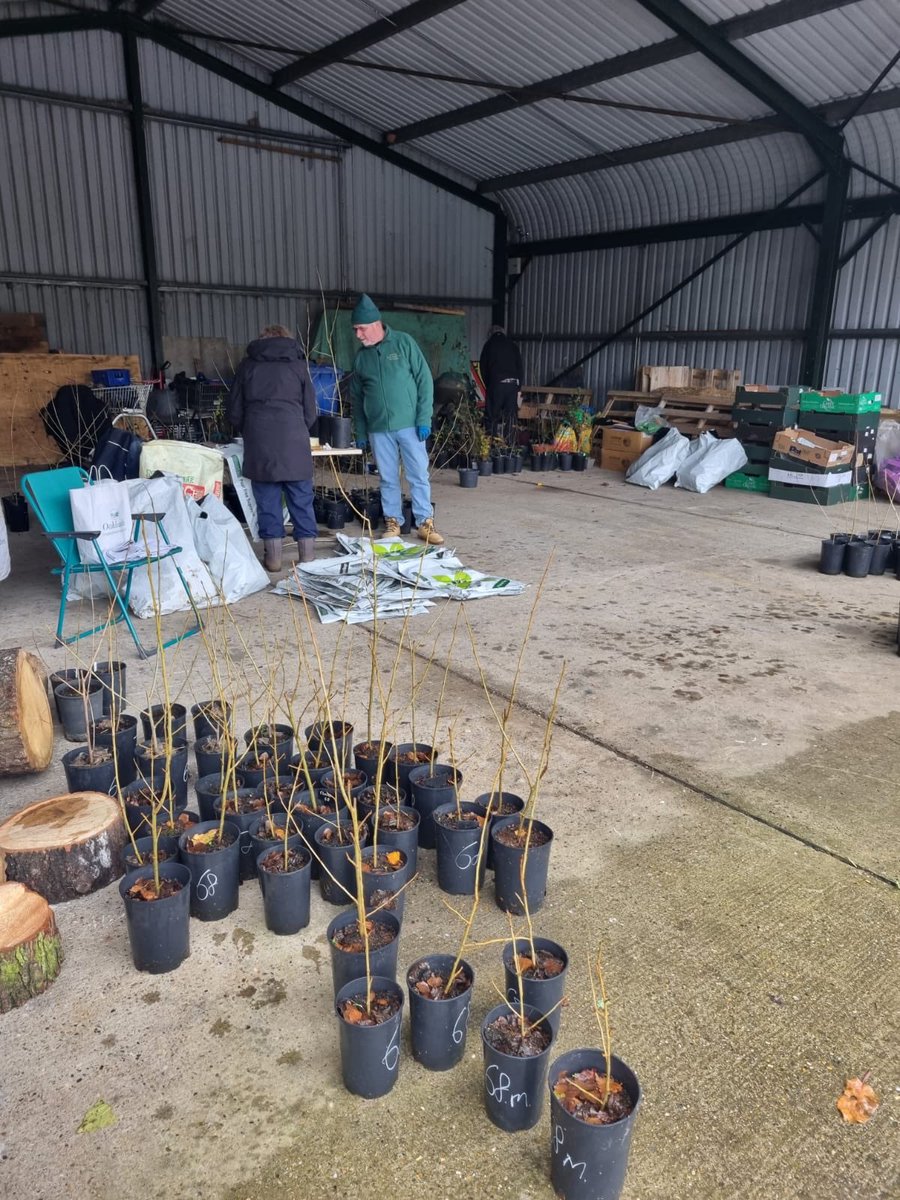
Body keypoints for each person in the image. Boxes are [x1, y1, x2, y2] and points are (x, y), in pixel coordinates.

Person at [349, 294, 443, 545]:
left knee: (418, 474)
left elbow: (424, 381)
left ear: (375, 324)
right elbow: (356, 399)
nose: (358, 334)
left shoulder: (403, 344)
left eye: (361, 329)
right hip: (379, 429)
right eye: (355, 329)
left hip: (411, 425)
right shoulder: (361, 358)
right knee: (388, 477)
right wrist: (360, 432)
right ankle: (393, 521)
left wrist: (424, 418)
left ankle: (425, 522)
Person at [227, 324, 318, 573]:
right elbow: (311, 410)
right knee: (301, 499)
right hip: (294, 440)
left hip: (260, 441)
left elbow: (234, 410)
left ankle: (273, 560)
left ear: (262, 340)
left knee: (267, 501)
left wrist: (251, 429)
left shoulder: (248, 366)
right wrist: (297, 427)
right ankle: (307, 558)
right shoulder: (299, 365)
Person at [479, 325, 523, 444]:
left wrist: (489, 384)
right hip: (513, 384)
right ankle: (510, 449)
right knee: (511, 418)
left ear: (490, 335)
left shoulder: (488, 345)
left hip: (497, 384)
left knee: (492, 417)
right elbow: (520, 367)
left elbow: (482, 367)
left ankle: (491, 445)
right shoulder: (513, 345)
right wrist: (518, 387)